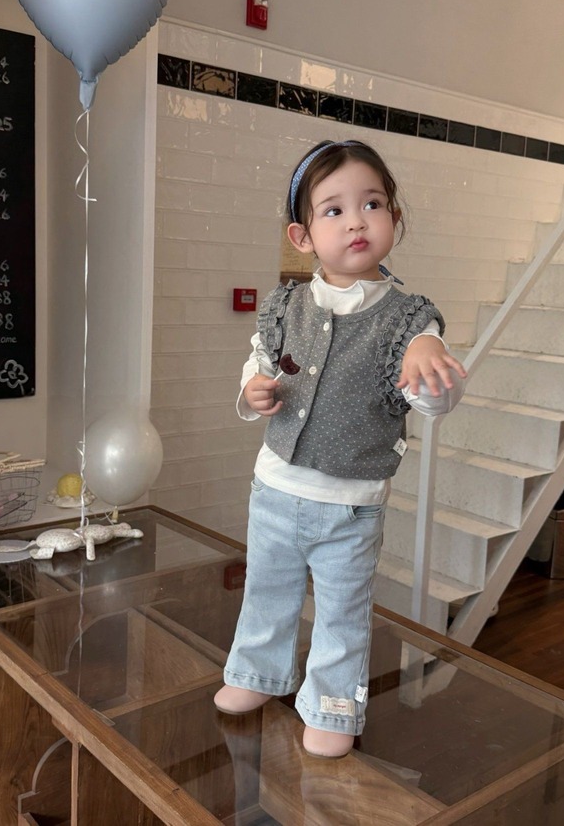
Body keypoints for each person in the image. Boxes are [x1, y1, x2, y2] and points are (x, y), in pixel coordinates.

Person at [214, 139, 466, 758]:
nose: (356, 221)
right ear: (302, 237)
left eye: (372, 204)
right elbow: (258, 363)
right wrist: (252, 391)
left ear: (394, 219)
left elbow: (432, 399)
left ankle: (332, 706)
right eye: (334, 210)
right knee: (266, 591)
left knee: (342, 612)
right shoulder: (285, 305)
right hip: (274, 488)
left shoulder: (411, 322)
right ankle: (254, 673)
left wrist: (428, 372)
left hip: (351, 505)